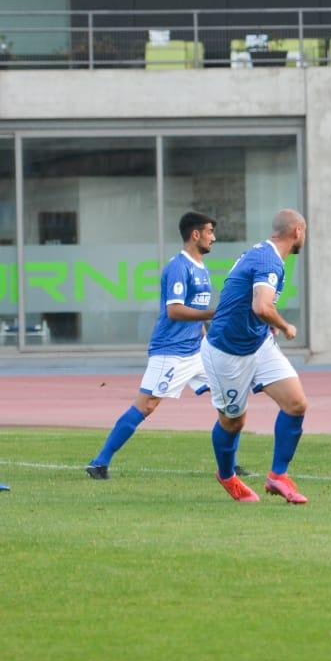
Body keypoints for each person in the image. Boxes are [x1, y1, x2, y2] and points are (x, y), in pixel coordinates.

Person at [86, 212, 247, 480]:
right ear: (195, 234)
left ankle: (229, 464)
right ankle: (99, 462)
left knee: (229, 398)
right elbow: (174, 311)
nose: (213, 237)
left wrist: (209, 342)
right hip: (171, 350)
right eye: (209, 232)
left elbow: (197, 312)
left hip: (197, 351)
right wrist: (213, 314)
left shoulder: (201, 268)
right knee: (146, 405)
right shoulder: (178, 267)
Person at [201, 208, 310, 504]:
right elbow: (261, 307)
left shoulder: (265, 254)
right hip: (226, 350)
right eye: (305, 232)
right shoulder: (269, 260)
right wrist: (284, 325)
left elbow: (246, 300)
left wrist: (266, 328)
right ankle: (227, 476)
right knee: (233, 421)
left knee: (296, 404)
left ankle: (277, 476)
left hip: (258, 343)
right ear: (297, 231)